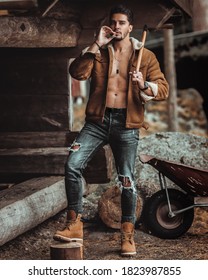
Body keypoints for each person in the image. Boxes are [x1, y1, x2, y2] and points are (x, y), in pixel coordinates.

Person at [53, 4, 169, 256]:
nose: (117, 26)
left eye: (122, 23)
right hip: (97, 122)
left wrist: (143, 84)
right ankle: (74, 224)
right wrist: (95, 45)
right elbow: (77, 74)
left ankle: (127, 236)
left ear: (130, 27)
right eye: (113, 22)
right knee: (72, 164)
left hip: (126, 124)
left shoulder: (145, 56)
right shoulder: (98, 52)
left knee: (126, 180)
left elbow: (163, 89)